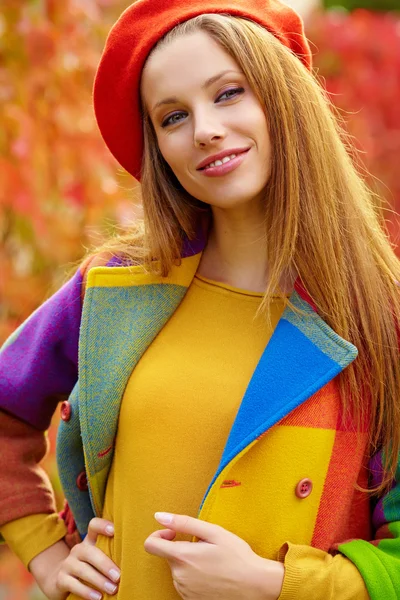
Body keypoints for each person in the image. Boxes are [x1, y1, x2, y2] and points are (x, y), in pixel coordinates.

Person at [1, 0, 400, 598]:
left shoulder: (378, 318)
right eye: (172, 117)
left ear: (284, 98)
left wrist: (276, 584)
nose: (205, 129)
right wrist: (47, 553)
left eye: (229, 93)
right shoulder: (114, 287)